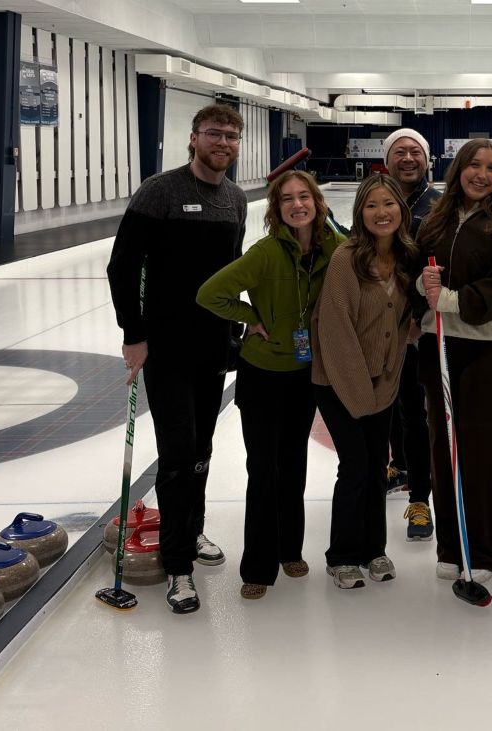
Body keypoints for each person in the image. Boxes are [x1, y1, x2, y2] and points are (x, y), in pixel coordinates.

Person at [107, 104, 247, 614]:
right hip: (166, 348)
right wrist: (133, 334)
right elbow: (122, 267)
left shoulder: (234, 198)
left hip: (213, 348)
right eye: (215, 133)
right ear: (194, 138)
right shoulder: (160, 191)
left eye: (232, 135)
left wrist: (238, 326)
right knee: (178, 450)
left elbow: (231, 270)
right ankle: (179, 567)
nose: (224, 142)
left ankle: (191, 529)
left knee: (203, 450)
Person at [196, 171, 345, 600]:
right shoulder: (265, 253)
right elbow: (211, 293)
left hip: (303, 374)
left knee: (293, 465)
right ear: (276, 209)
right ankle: (258, 565)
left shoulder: (333, 249)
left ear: (317, 203)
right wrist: (250, 319)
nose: (297, 205)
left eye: (304, 197)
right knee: (263, 470)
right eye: (286, 200)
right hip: (261, 376)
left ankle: (289, 550)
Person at [415, 139, 492, 584]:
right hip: (439, 344)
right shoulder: (436, 219)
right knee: (441, 448)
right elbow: (416, 268)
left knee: (480, 454)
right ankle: (451, 545)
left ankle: (482, 550)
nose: (481, 174)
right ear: (458, 169)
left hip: (491, 348)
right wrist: (419, 287)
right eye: (473, 165)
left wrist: (453, 300)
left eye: (491, 167)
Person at [313, 175, 417, 590]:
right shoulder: (346, 258)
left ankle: (374, 549)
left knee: (377, 467)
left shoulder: (407, 257)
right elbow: (336, 332)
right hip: (339, 382)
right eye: (371, 205)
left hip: (383, 383)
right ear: (360, 213)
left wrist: (387, 381)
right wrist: (363, 397)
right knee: (355, 466)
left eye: (388, 204)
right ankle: (341, 555)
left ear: (401, 210)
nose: (381, 213)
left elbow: (400, 324)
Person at [382, 129, 442, 541]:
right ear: (387, 161)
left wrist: (419, 318)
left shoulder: (438, 206)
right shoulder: (376, 199)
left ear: (426, 160)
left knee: (418, 415)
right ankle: (398, 465)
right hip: (382, 325)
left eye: (414, 152)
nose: (407, 158)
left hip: (422, 327)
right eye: (399, 152)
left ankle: (419, 499)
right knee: (387, 403)